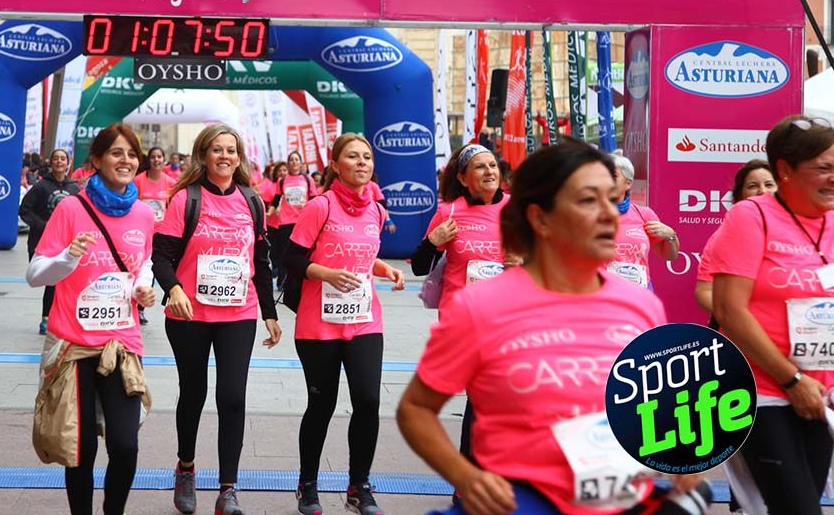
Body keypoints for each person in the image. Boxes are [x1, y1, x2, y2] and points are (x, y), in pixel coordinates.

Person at [397, 140, 709, 515]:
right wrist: (467, 478)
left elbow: (651, 409)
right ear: (540, 219)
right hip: (521, 502)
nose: (611, 214)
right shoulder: (479, 307)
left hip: (614, 501)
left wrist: (682, 458)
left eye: (612, 199)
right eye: (588, 201)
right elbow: (415, 409)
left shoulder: (642, 306)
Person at [25, 124, 157, 515]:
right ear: (97, 160)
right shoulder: (71, 208)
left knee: (125, 444)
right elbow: (35, 275)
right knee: (80, 448)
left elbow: (143, 264)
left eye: (132, 154)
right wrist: (69, 257)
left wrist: (144, 289)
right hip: (74, 346)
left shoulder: (143, 214)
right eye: (116, 153)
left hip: (121, 346)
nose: (126, 161)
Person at [152, 124, 282, 515]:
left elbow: (260, 262)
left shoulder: (252, 201)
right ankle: (186, 468)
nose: (225, 156)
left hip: (237, 314)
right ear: (204, 156)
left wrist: (270, 313)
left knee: (231, 397)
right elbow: (160, 257)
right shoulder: (185, 200)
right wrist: (174, 288)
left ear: (239, 158)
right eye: (217, 150)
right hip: (189, 313)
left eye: (232, 150)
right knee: (193, 393)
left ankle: (228, 490)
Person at [710, 116, 834, 514]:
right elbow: (730, 309)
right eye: (824, 168)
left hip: (820, 393)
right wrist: (792, 379)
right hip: (761, 390)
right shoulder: (752, 216)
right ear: (785, 170)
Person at [284, 134, 405, 515]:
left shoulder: (377, 210)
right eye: (353, 156)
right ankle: (307, 484)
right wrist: (328, 274)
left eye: (367, 157)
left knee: (368, 401)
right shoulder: (321, 206)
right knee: (322, 404)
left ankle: (360, 485)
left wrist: (387, 270)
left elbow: (365, 257)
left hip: (364, 320)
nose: (362, 162)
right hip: (319, 324)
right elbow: (292, 259)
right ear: (336, 164)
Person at [412, 144, 508, 308]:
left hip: (501, 312)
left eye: (493, 165)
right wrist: (432, 243)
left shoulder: (515, 209)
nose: (489, 171)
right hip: (458, 313)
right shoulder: (449, 212)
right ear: (463, 178)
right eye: (479, 167)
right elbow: (419, 268)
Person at [695, 158, 777, 315]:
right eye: (753, 186)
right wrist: (739, 320)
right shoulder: (726, 234)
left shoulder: (799, 229)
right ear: (740, 195)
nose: (762, 191)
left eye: (769, 185)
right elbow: (705, 291)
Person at [19, 149, 81, 335]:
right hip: (43, 243)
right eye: (56, 158)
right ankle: (46, 318)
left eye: (63, 159)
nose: (59, 162)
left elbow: (81, 215)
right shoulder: (41, 186)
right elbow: (24, 210)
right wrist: (43, 226)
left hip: (67, 243)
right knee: (52, 282)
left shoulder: (74, 189)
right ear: (51, 162)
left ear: (68, 162)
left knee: (65, 282)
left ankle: (62, 318)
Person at [608, 154, 678, 287]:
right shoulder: (588, 214)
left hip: (639, 292)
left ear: (628, 183)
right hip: (603, 294)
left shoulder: (644, 214)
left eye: (614, 176)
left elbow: (669, 256)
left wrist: (671, 236)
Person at [269, 151, 318, 288]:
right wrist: (269, 212)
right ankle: (282, 280)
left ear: (301, 163)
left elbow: (315, 200)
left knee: (303, 252)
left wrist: (307, 206)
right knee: (285, 251)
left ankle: (300, 281)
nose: (294, 162)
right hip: (286, 221)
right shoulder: (282, 180)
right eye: (291, 160)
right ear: (288, 163)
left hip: (303, 220)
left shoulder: (308, 180)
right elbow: (277, 198)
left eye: (297, 159)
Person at [134, 146, 175, 222]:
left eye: (159, 157)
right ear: (149, 160)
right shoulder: (137, 180)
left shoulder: (171, 183)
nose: (156, 159)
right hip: (142, 225)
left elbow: (174, 209)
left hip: (162, 229)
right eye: (153, 157)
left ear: (164, 160)